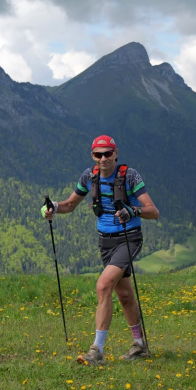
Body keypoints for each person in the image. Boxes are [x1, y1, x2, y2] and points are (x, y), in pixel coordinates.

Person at [42, 135, 159, 365]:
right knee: (124, 295)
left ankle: (97, 351)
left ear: (115, 153)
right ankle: (140, 346)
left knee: (103, 285)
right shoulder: (89, 176)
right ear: (92, 156)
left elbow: (153, 211)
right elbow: (70, 205)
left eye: (108, 153)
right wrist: (53, 207)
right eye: (98, 154)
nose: (103, 158)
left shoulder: (130, 176)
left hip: (129, 238)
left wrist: (132, 211)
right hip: (105, 242)